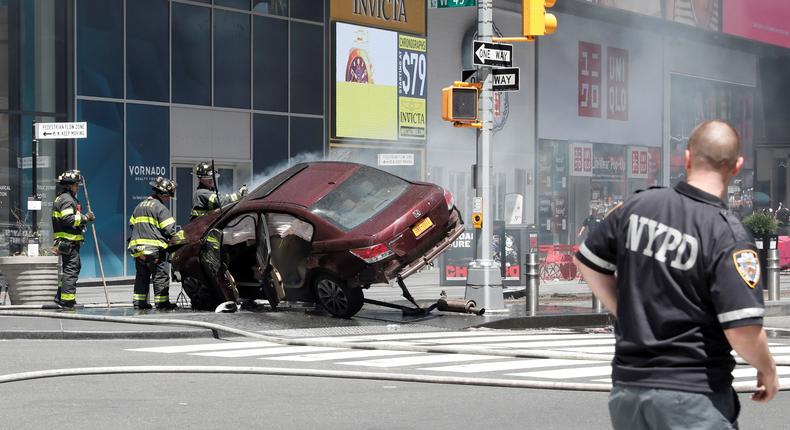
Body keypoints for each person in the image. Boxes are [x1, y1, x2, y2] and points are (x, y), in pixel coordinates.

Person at [574, 120, 778, 429]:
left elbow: (588, 261)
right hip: (693, 392)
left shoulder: (637, 206)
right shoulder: (726, 234)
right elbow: (743, 331)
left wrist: (624, 310)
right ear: (737, 166)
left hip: (629, 391)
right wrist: (767, 368)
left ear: (687, 159)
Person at [128, 177, 178, 310]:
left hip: (138, 250)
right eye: (168, 196)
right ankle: (162, 304)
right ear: (162, 194)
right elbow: (169, 230)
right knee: (160, 277)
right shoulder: (160, 208)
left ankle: (139, 303)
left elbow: (132, 224)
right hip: (155, 251)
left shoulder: (140, 206)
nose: (168, 199)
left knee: (142, 277)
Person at [52, 170, 94, 309]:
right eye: (76, 185)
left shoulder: (62, 198)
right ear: (70, 186)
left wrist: (82, 218)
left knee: (68, 270)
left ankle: (60, 297)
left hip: (65, 241)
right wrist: (85, 218)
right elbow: (68, 219)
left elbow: (69, 216)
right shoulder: (67, 199)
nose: (78, 187)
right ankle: (68, 301)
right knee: (72, 269)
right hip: (68, 242)